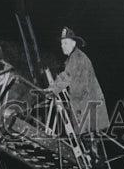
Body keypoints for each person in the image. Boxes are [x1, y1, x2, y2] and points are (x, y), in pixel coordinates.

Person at [47, 27, 110, 161]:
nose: (62, 46)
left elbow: (67, 77)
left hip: (88, 104)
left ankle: (97, 165)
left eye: (65, 43)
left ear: (74, 43)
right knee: (88, 138)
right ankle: (95, 165)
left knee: (89, 137)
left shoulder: (77, 58)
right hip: (86, 104)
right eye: (61, 44)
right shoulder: (74, 58)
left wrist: (51, 90)